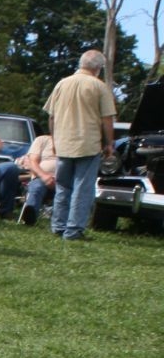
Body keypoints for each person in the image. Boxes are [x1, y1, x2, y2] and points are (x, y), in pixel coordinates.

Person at [43, 49, 118, 240]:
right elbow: (107, 119)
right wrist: (109, 143)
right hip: (87, 143)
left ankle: (58, 225)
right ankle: (74, 229)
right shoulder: (99, 86)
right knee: (82, 189)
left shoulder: (62, 83)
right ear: (98, 68)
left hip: (63, 143)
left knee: (63, 187)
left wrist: (54, 140)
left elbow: (52, 117)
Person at [18, 130, 58, 226]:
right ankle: (29, 217)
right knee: (37, 187)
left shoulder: (71, 144)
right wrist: (45, 176)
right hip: (41, 178)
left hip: (64, 181)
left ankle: (62, 223)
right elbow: (33, 162)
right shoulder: (42, 140)